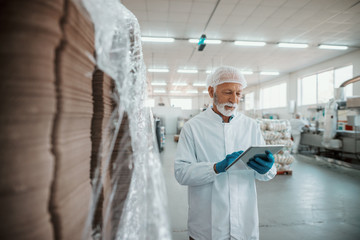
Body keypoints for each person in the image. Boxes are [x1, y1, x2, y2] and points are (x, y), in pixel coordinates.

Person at [174, 66, 277, 240]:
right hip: (206, 227)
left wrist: (267, 169)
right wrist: (215, 168)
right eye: (228, 92)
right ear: (211, 91)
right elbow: (181, 173)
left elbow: (267, 174)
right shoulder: (193, 128)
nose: (233, 100)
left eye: (238, 94)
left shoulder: (250, 126)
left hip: (244, 225)